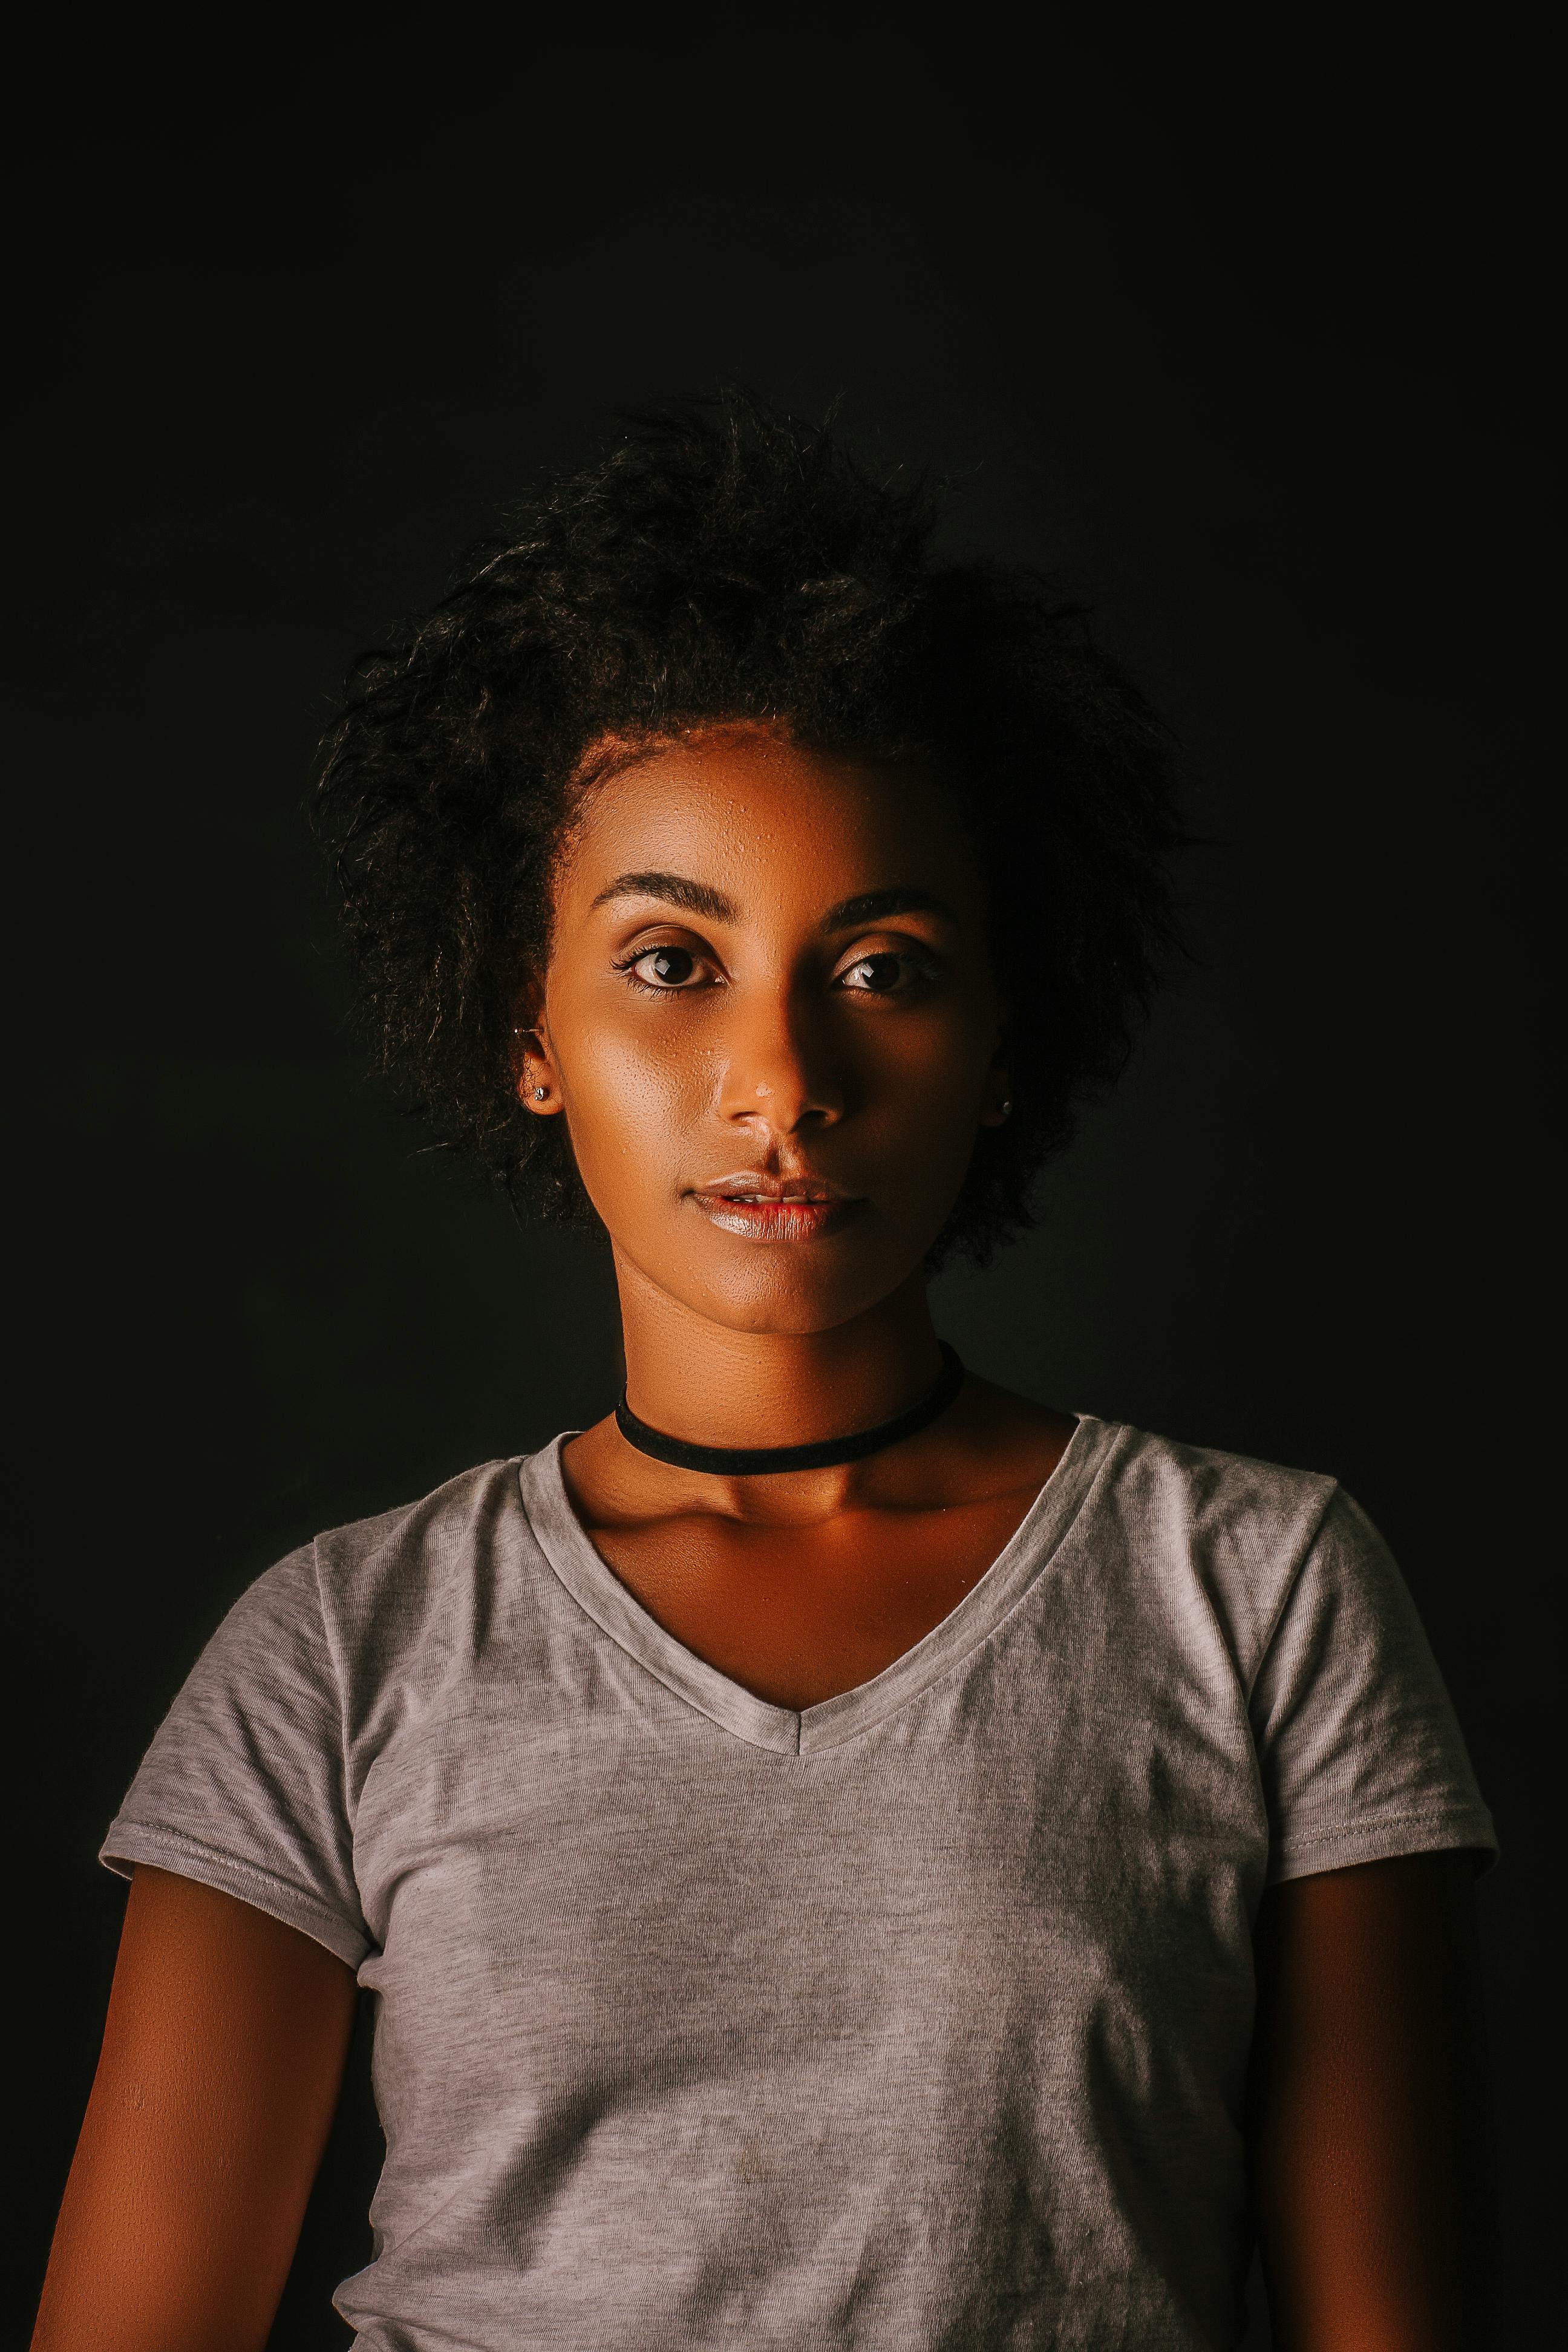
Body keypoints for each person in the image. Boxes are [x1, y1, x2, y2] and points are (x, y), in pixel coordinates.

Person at [32, 396, 1498, 2352]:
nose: (784, 1083)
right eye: (668, 960)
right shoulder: (340, 1651)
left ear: (1004, 1040)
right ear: (522, 1025)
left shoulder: (1259, 1591)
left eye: (883, 966)